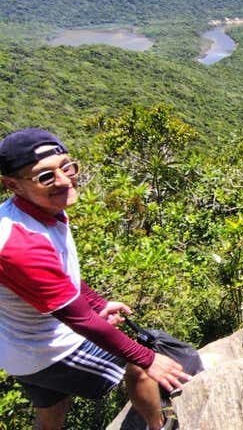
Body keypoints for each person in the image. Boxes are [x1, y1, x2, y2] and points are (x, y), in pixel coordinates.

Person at [0, 128, 191, 430]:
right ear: (13, 185)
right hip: (51, 351)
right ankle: (161, 425)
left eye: (67, 167)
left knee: (52, 409)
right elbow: (82, 322)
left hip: (19, 349)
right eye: (45, 176)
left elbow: (60, 276)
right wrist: (149, 359)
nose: (63, 180)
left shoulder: (38, 210)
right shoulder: (20, 243)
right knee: (138, 364)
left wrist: (96, 302)